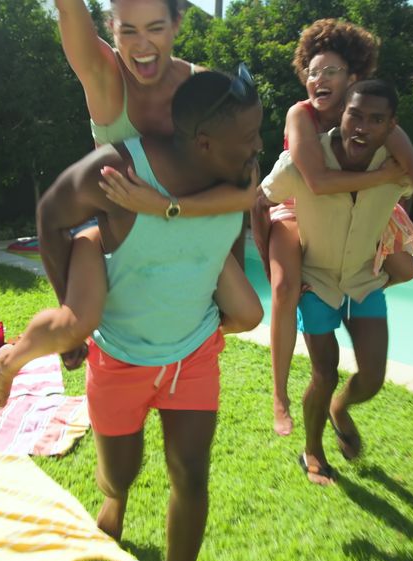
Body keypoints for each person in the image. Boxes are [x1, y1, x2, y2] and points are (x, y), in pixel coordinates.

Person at [0, 70, 263, 561]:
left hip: (192, 355)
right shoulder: (119, 170)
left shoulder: (238, 169)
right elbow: (51, 215)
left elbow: (231, 231)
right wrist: (72, 305)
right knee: (120, 474)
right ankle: (16, 363)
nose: (258, 146)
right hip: (120, 354)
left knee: (191, 475)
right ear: (204, 142)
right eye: (250, 136)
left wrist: (171, 213)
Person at [48, 0, 262, 370]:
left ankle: (188, 343)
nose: (142, 43)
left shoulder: (203, 88)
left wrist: (166, 206)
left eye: (155, 28)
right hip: (124, 244)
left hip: (190, 238)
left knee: (248, 315)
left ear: (176, 23)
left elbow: (245, 190)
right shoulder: (103, 74)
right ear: (112, 29)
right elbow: (68, 9)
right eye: (129, 30)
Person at [253, 79, 413, 485]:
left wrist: (383, 227)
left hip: (362, 274)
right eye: (355, 115)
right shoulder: (303, 155)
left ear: (390, 125)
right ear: (342, 114)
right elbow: (263, 198)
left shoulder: (395, 165)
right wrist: (268, 256)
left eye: (375, 120)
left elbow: (406, 192)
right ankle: (313, 449)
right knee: (324, 371)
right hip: (316, 273)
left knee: (372, 379)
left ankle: (339, 408)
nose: (362, 126)